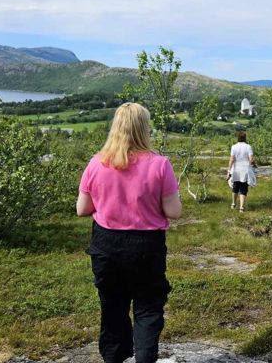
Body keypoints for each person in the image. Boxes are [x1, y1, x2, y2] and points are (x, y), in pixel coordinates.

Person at [76, 102, 182, 363]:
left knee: (112, 306)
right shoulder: (160, 164)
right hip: (147, 246)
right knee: (147, 307)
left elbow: (82, 209)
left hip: (106, 244)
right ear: (144, 128)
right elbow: (174, 211)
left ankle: (114, 358)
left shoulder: (96, 163)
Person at [227, 130, 256, 212]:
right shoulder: (248, 147)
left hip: (236, 169)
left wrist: (229, 170)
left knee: (235, 187)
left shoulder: (234, 147)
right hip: (245, 170)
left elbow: (232, 159)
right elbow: (251, 159)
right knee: (243, 188)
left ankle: (233, 204)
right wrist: (254, 164)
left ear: (238, 138)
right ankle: (241, 208)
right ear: (245, 138)